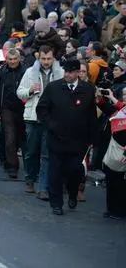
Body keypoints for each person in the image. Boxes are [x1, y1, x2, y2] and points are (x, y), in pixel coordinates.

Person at [36, 59, 97, 216]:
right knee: (55, 172)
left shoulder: (88, 90)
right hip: (57, 139)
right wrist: (51, 125)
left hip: (78, 141)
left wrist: (92, 138)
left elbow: (91, 115)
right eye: (66, 72)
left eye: (71, 72)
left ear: (78, 73)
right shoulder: (54, 87)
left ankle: (72, 193)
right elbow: (42, 109)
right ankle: (56, 203)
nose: (68, 75)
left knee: (74, 171)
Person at [17, 45, 64, 198]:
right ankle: (29, 179)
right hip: (32, 117)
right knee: (31, 152)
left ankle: (43, 188)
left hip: (51, 119)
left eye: (49, 58)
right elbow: (20, 92)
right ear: (39, 58)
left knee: (46, 154)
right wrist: (30, 91)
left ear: (53, 58)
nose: (46, 62)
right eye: (43, 59)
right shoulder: (30, 72)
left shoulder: (60, 73)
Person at [0, 48, 26, 179]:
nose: (12, 62)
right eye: (10, 59)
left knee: (23, 138)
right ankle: (12, 165)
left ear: (19, 59)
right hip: (6, 107)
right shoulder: (2, 72)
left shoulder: (25, 71)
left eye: (14, 59)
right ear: (6, 59)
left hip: (23, 107)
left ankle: (30, 167)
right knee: (10, 137)